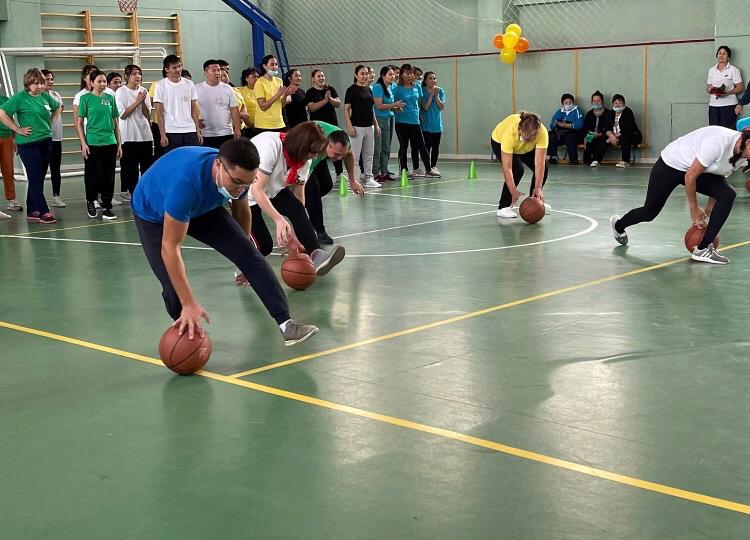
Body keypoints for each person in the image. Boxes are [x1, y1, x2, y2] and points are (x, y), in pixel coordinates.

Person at [131, 137, 318, 346]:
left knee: (251, 255)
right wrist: (189, 303)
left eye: (248, 183)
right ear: (218, 165)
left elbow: (241, 210)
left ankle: (287, 325)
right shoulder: (183, 186)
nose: (241, 188)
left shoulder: (240, 177)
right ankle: (185, 328)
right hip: (153, 214)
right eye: (237, 182)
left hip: (202, 206)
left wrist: (242, 258)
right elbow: (170, 248)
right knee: (171, 282)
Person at [610, 126, 750, 264]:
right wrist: (694, 209)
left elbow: (720, 175)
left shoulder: (742, 155)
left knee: (727, 194)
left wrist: (708, 210)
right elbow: (690, 176)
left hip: (697, 169)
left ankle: (703, 248)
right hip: (670, 165)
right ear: (748, 142)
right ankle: (618, 225)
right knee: (649, 212)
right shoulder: (718, 142)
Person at [248, 122, 345, 275]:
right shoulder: (271, 146)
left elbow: (298, 193)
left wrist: (296, 230)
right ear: (302, 145)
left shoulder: (305, 160)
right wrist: (279, 220)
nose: (315, 156)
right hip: (245, 195)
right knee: (264, 246)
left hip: (273, 189)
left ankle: (317, 256)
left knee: (297, 209)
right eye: (313, 152)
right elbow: (256, 189)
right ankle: (243, 266)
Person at [0, 68, 61, 224]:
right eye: (36, 83)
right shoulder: (19, 98)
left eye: (41, 83)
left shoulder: (45, 96)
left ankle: (33, 211)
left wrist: (51, 122)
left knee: (38, 177)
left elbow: (58, 107)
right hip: (27, 144)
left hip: (46, 141)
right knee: (35, 177)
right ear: (27, 84)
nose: (40, 86)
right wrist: (16, 129)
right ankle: (43, 211)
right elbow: (2, 113)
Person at [305, 120, 364, 244]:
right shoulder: (312, 146)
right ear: (328, 145)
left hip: (320, 153)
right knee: (312, 190)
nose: (339, 158)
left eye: (341, 155)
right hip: (304, 153)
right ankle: (319, 231)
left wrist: (352, 180)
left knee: (326, 185)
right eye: (337, 154)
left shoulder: (342, 140)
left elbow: (348, 155)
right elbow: (299, 179)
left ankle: (309, 207)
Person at [77, 69, 122, 220]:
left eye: (104, 81)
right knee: (93, 175)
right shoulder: (85, 99)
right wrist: (83, 143)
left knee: (108, 176)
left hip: (110, 142)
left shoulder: (110, 98)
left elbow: (116, 122)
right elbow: (79, 123)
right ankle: (90, 200)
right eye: (99, 81)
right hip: (92, 142)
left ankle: (107, 206)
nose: (102, 84)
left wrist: (119, 144)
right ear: (91, 82)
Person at [490, 111, 549, 219]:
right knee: (517, 169)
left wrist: (538, 187)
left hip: (526, 148)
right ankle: (503, 207)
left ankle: (535, 200)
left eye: (530, 139)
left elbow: (539, 163)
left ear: (536, 133)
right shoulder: (510, 133)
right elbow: (507, 168)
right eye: (524, 138)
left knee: (544, 166)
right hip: (499, 141)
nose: (526, 141)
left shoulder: (542, 133)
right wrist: (513, 191)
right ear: (520, 129)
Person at [116, 64, 153, 200]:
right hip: (129, 136)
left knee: (146, 167)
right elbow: (123, 115)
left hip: (144, 135)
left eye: (139, 74)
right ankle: (134, 194)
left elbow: (147, 114)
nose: (138, 76)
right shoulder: (121, 91)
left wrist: (142, 102)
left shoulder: (143, 91)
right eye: (134, 74)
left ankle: (146, 193)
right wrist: (137, 101)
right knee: (130, 168)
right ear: (127, 76)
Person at [393, 63, 435, 178]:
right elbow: (392, 105)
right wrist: (396, 108)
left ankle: (428, 170)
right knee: (404, 146)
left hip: (415, 122)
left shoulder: (417, 87)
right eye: (407, 73)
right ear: (401, 75)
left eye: (411, 73)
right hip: (401, 122)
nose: (410, 76)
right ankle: (403, 171)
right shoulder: (396, 89)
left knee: (422, 146)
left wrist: (418, 113)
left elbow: (419, 102)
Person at [154, 54, 202, 152]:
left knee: (191, 158)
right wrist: (162, 134)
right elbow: (159, 114)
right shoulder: (160, 86)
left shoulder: (189, 84)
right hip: (171, 130)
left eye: (180, 66)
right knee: (175, 159)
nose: (178, 69)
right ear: (166, 69)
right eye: (174, 67)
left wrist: (197, 130)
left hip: (190, 129)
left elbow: (194, 111)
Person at [344, 64, 381, 189]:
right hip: (357, 127)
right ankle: (352, 180)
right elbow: (346, 109)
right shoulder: (351, 90)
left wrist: (376, 125)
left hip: (369, 127)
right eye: (362, 74)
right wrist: (349, 126)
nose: (365, 76)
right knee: (354, 155)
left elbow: (371, 109)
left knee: (369, 154)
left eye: (366, 74)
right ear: (356, 75)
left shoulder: (369, 90)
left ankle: (369, 178)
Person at [305, 69, 343, 179]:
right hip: (318, 127)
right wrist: (324, 101)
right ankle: (317, 173)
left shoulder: (330, 89)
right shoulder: (310, 92)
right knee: (319, 149)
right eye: (318, 76)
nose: (321, 78)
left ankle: (339, 172)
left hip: (332, 124)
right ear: (313, 79)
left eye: (322, 76)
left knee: (336, 147)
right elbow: (312, 108)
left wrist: (329, 98)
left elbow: (338, 104)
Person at [196, 59, 241, 149]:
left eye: (219, 70)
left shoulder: (228, 88)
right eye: (213, 70)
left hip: (226, 132)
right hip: (206, 133)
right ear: (205, 73)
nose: (217, 73)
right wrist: (196, 123)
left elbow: (234, 110)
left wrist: (237, 129)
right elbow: (191, 109)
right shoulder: (197, 89)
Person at [372, 66, 403, 182]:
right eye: (390, 74)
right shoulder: (378, 87)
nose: (393, 76)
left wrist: (395, 108)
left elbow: (388, 105)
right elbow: (379, 106)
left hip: (388, 118)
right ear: (383, 76)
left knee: (386, 147)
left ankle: (384, 172)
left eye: (393, 74)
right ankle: (375, 173)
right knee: (377, 148)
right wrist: (395, 104)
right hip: (378, 119)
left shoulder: (389, 87)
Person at [41, 69, 65, 208]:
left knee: (56, 168)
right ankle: (40, 199)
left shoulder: (56, 95)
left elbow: (59, 110)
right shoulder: (38, 97)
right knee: (41, 170)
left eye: (51, 79)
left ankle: (56, 196)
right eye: (47, 79)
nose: (50, 81)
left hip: (56, 137)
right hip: (43, 138)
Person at [707, 45, 743, 129]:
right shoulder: (711, 70)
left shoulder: (733, 70)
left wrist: (727, 92)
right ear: (716, 55)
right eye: (719, 53)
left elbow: (741, 87)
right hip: (713, 105)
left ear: (728, 57)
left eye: (724, 53)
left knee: (728, 131)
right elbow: (708, 87)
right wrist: (710, 89)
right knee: (713, 131)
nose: (721, 55)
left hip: (729, 106)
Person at [0, 79, 22, 216]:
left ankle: (11, 200)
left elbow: (11, 120)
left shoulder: (6, 100)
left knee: (8, 170)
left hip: (7, 138)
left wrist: (16, 139)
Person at [254, 54, 291, 133]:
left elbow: (281, 105)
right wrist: (278, 95)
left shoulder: (279, 81)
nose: (275, 67)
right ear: (264, 66)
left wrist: (286, 94)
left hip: (279, 123)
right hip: (264, 125)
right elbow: (263, 106)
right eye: (272, 64)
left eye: (276, 64)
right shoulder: (259, 83)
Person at [603, 94, 642, 168]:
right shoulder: (610, 113)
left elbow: (628, 128)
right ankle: (596, 160)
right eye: (615, 103)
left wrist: (614, 137)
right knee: (603, 138)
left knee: (625, 137)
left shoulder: (628, 112)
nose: (617, 105)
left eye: (620, 103)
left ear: (624, 104)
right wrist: (611, 136)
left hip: (631, 135)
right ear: (613, 104)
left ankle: (625, 161)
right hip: (615, 136)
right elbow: (606, 128)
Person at [547, 93, 584, 164]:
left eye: (570, 102)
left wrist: (567, 125)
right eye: (566, 103)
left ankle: (573, 159)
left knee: (570, 137)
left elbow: (580, 124)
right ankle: (552, 157)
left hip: (574, 133)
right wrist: (555, 123)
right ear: (562, 104)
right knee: (552, 135)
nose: (568, 104)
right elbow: (552, 126)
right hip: (561, 134)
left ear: (573, 102)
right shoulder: (559, 111)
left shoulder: (577, 110)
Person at [421, 71, 444, 177]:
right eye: (430, 78)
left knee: (436, 147)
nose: (433, 80)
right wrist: (431, 95)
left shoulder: (440, 91)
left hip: (437, 124)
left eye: (434, 78)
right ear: (425, 81)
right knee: (427, 147)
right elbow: (425, 107)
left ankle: (434, 166)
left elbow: (441, 107)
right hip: (426, 124)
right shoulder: (422, 91)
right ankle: (428, 168)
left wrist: (437, 95)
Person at [582, 90, 612, 167]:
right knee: (588, 139)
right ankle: (588, 160)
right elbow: (585, 128)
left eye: (598, 101)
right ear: (592, 102)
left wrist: (598, 134)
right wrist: (588, 136)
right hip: (592, 134)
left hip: (603, 135)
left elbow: (609, 127)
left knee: (602, 140)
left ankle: (595, 160)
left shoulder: (608, 113)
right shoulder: (589, 113)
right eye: (594, 101)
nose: (596, 103)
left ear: (602, 102)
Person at [238, 67, 259, 138]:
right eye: (254, 76)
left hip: (262, 124)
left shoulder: (262, 91)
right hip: (248, 126)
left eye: (258, 76)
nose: (257, 78)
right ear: (246, 78)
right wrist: (249, 124)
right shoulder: (240, 91)